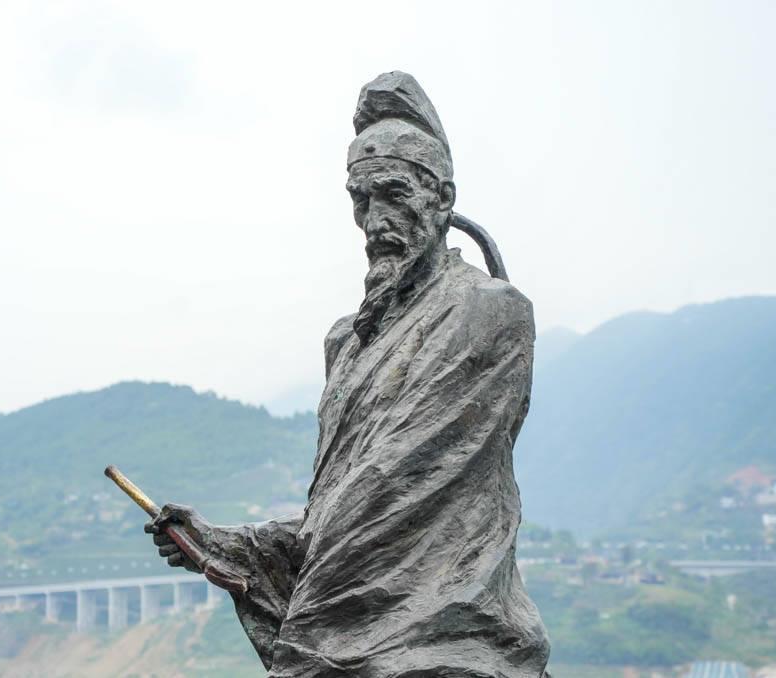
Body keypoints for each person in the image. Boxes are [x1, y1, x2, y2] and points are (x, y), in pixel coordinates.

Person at [146, 71, 550, 678]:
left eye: (392, 195)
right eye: (360, 201)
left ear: (441, 199)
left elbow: (398, 485)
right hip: (341, 635)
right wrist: (226, 545)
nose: (373, 220)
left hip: (442, 642)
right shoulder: (348, 343)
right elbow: (337, 505)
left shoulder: (490, 313)